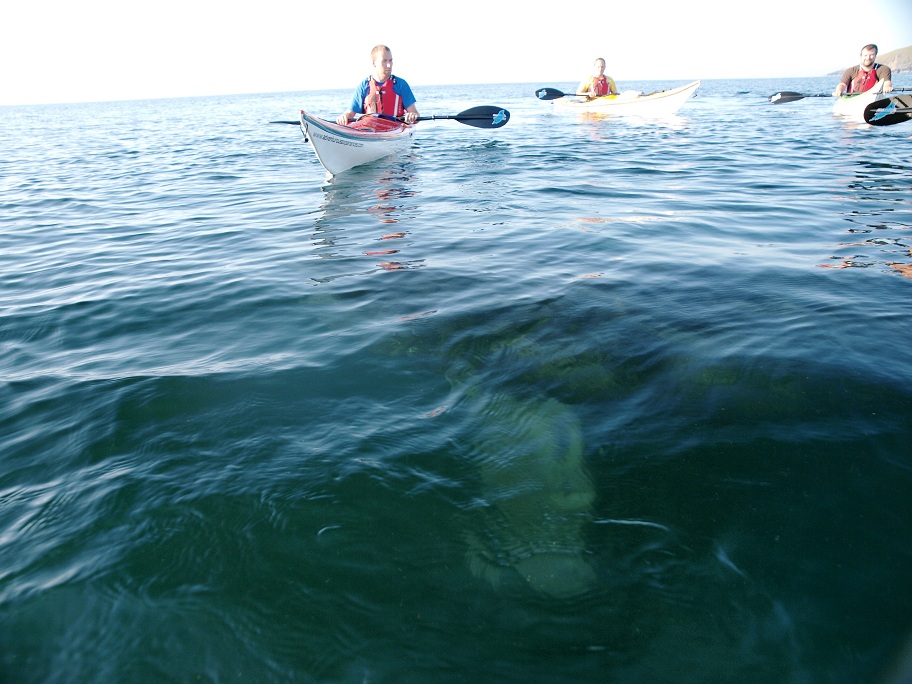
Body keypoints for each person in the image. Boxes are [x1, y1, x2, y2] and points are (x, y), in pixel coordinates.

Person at [336, 45, 420, 125]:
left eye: (390, 60)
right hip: (371, 129)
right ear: (374, 63)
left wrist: (412, 116)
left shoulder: (401, 84)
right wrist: (344, 117)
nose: (389, 65)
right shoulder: (364, 86)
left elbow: (415, 113)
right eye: (384, 61)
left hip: (395, 127)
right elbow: (350, 113)